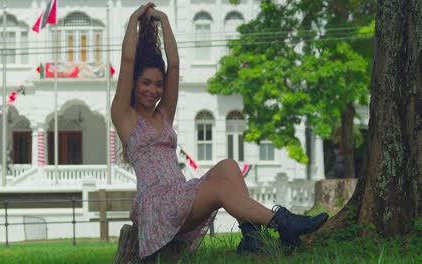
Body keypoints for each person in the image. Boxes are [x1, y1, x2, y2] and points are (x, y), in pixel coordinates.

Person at [111, 2, 329, 260]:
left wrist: (165, 21)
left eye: (158, 84)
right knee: (218, 189)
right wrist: (135, 19)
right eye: (146, 83)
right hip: (158, 206)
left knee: (228, 166)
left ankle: (252, 237)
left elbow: (176, 66)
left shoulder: (164, 114)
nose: (153, 90)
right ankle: (285, 223)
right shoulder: (125, 118)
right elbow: (127, 60)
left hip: (180, 196)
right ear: (134, 84)